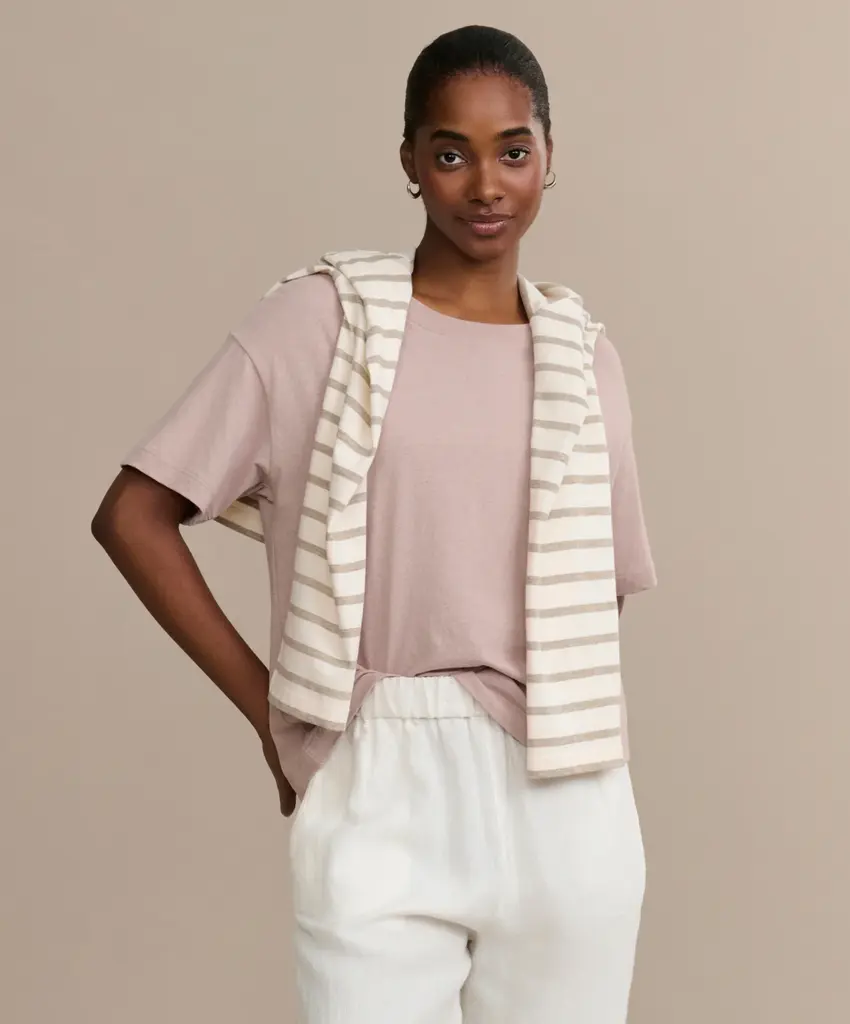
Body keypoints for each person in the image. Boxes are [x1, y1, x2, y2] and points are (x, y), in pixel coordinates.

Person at [92, 24, 656, 1024]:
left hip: (567, 791)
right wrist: (270, 712)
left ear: (548, 156)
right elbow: (133, 516)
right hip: (379, 774)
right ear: (409, 163)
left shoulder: (587, 359)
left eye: (512, 150)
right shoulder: (319, 325)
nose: (486, 185)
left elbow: (593, 599)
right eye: (451, 153)